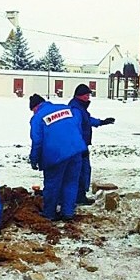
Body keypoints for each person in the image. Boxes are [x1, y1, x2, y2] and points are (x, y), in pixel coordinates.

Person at [29, 93, 87, 221]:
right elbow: (78, 122)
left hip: (55, 155)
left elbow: (37, 141)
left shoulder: (38, 118)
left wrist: (34, 159)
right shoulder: (66, 109)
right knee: (71, 183)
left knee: (52, 185)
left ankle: (49, 214)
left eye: (32, 110)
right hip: (76, 150)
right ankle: (68, 213)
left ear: (35, 107)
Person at [68, 84, 115, 205]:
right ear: (80, 96)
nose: (89, 97)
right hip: (79, 147)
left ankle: (79, 195)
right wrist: (80, 146)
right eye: (87, 95)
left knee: (83, 170)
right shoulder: (76, 109)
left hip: (81, 145)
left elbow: (87, 120)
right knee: (80, 171)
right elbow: (76, 128)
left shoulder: (80, 108)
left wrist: (102, 122)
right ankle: (79, 196)